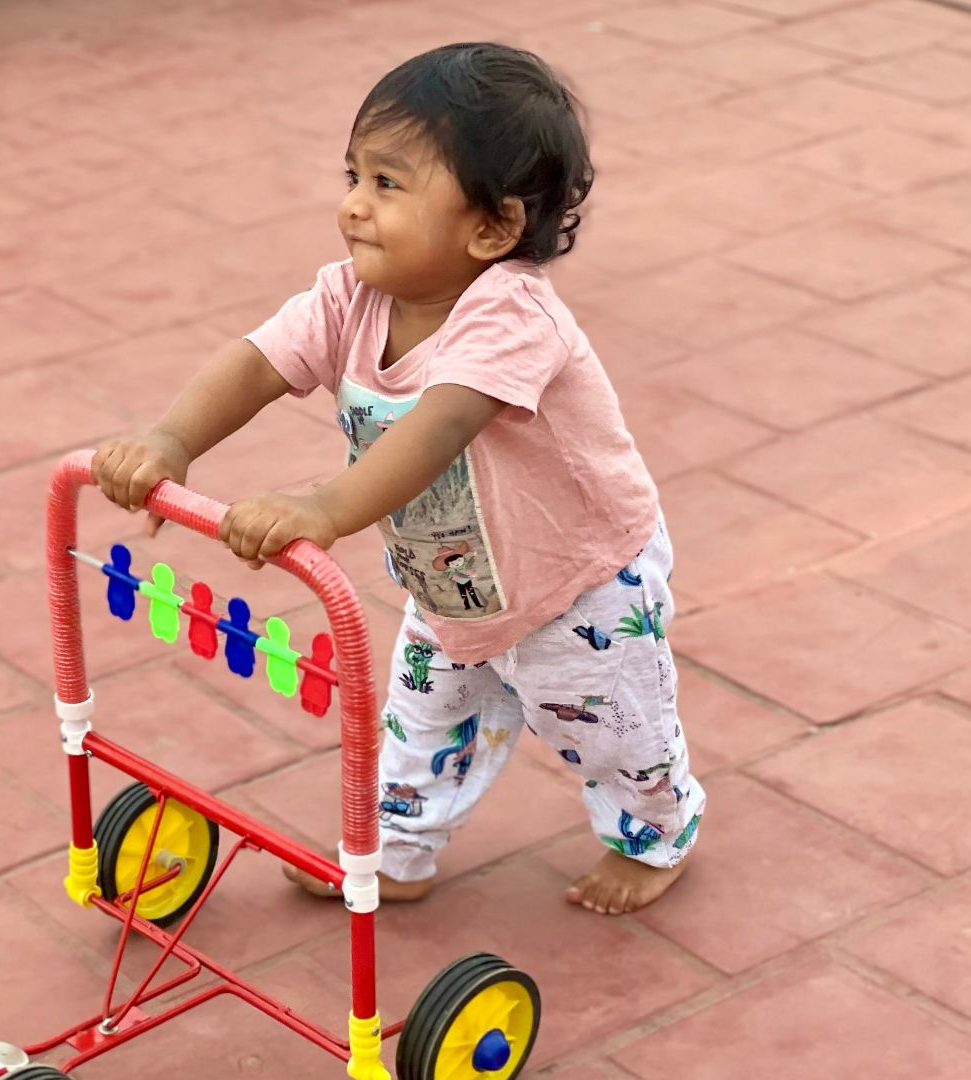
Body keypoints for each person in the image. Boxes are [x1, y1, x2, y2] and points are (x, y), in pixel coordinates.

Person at [90, 42, 701, 915]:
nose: (352, 207)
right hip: (454, 584)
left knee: (606, 728)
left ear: (490, 228)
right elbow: (260, 361)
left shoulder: (512, 314)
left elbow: (442, 423)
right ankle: (398, 848)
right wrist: (171, 439)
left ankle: (656, 831)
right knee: (423, 721)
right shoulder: (350, 297)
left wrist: (325, 507)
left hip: (582, 582)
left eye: (387, 185)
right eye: (353, 175)